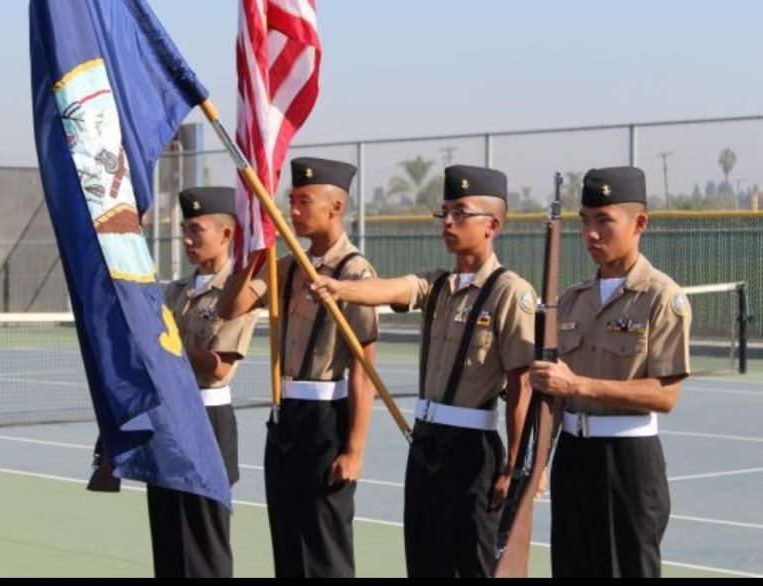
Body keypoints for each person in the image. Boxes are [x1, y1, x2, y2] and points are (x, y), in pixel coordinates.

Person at [312, 165, 536, 577]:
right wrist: (342, 289)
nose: (448, 222)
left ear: (492, 225)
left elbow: (521, 385)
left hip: (472, 450)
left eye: (460, 213)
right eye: (444, 213)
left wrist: (516, 467)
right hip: (427, 443)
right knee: (424, 558)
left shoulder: (510, 292)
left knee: (469, 561)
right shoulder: (439, 285)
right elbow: (394, 288)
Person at [218, 157, 377, 578]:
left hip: (325, 419)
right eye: (290, 201)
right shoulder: (287, 267)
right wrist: (252, 251)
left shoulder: (354, 273)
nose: (293, 211)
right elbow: (230, 306)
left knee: (323, 545)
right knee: (287, 539)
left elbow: (364, 368)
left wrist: (354, 451)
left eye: (305, 201)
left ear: (335, 207)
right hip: (286, 415)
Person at [529, 166, 691, 578]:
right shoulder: (570, 301)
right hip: (574, 459)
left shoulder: (662, 298)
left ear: (639, 224)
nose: (591, 234)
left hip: (629, 463)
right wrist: (539, 462)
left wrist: (579, 384)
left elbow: (665, 395)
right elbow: (554, 394)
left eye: (604, 221)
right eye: (584, 221)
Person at [146, 186, 259, 578]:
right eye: (184, 229)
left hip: (207, 422)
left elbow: (219, 368)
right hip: (167, 420)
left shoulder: (240, 294)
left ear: (227, 235)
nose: (188, 239)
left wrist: (168, 346)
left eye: (197, 230)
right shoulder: (175, 290)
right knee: (168, 538)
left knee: (204, 542)